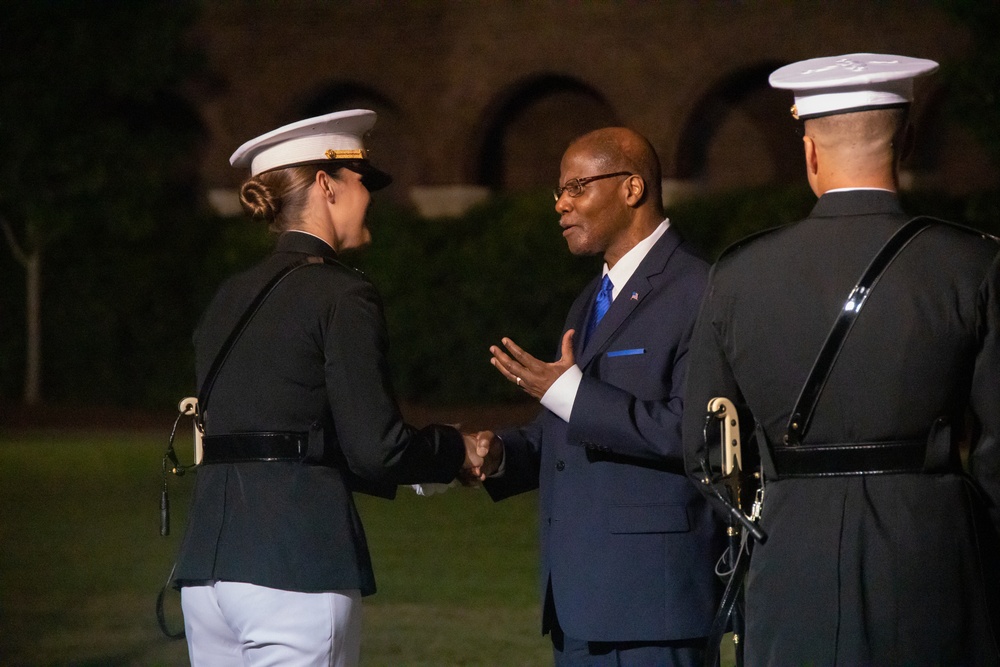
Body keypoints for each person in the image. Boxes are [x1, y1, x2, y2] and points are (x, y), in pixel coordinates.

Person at [682, 53, 1000, 664]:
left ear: (809, 152)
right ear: (905, 143)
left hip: (791, 553)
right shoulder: (974, 266)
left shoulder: (739, 274)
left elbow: (705, 449)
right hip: (933, 553)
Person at [172, 109, 488, 667]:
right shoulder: (341, 294)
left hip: (207, 575)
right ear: (327, 185)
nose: (371, 196)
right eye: (362, 180)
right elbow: (376, 446)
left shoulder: (229, 296)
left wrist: (426, 470)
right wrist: (454, 450)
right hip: (298, 568)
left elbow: (286, 435)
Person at [473, 126, 725, 666]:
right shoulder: (592, 296)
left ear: (632, 188)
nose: (561, 205)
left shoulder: (701, 290)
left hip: (653, 607)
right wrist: (501, 456)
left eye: (577, 187)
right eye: (558, 192)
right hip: (578, 603)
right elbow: (565, 430)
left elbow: (696, 434)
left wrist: (569, 392)